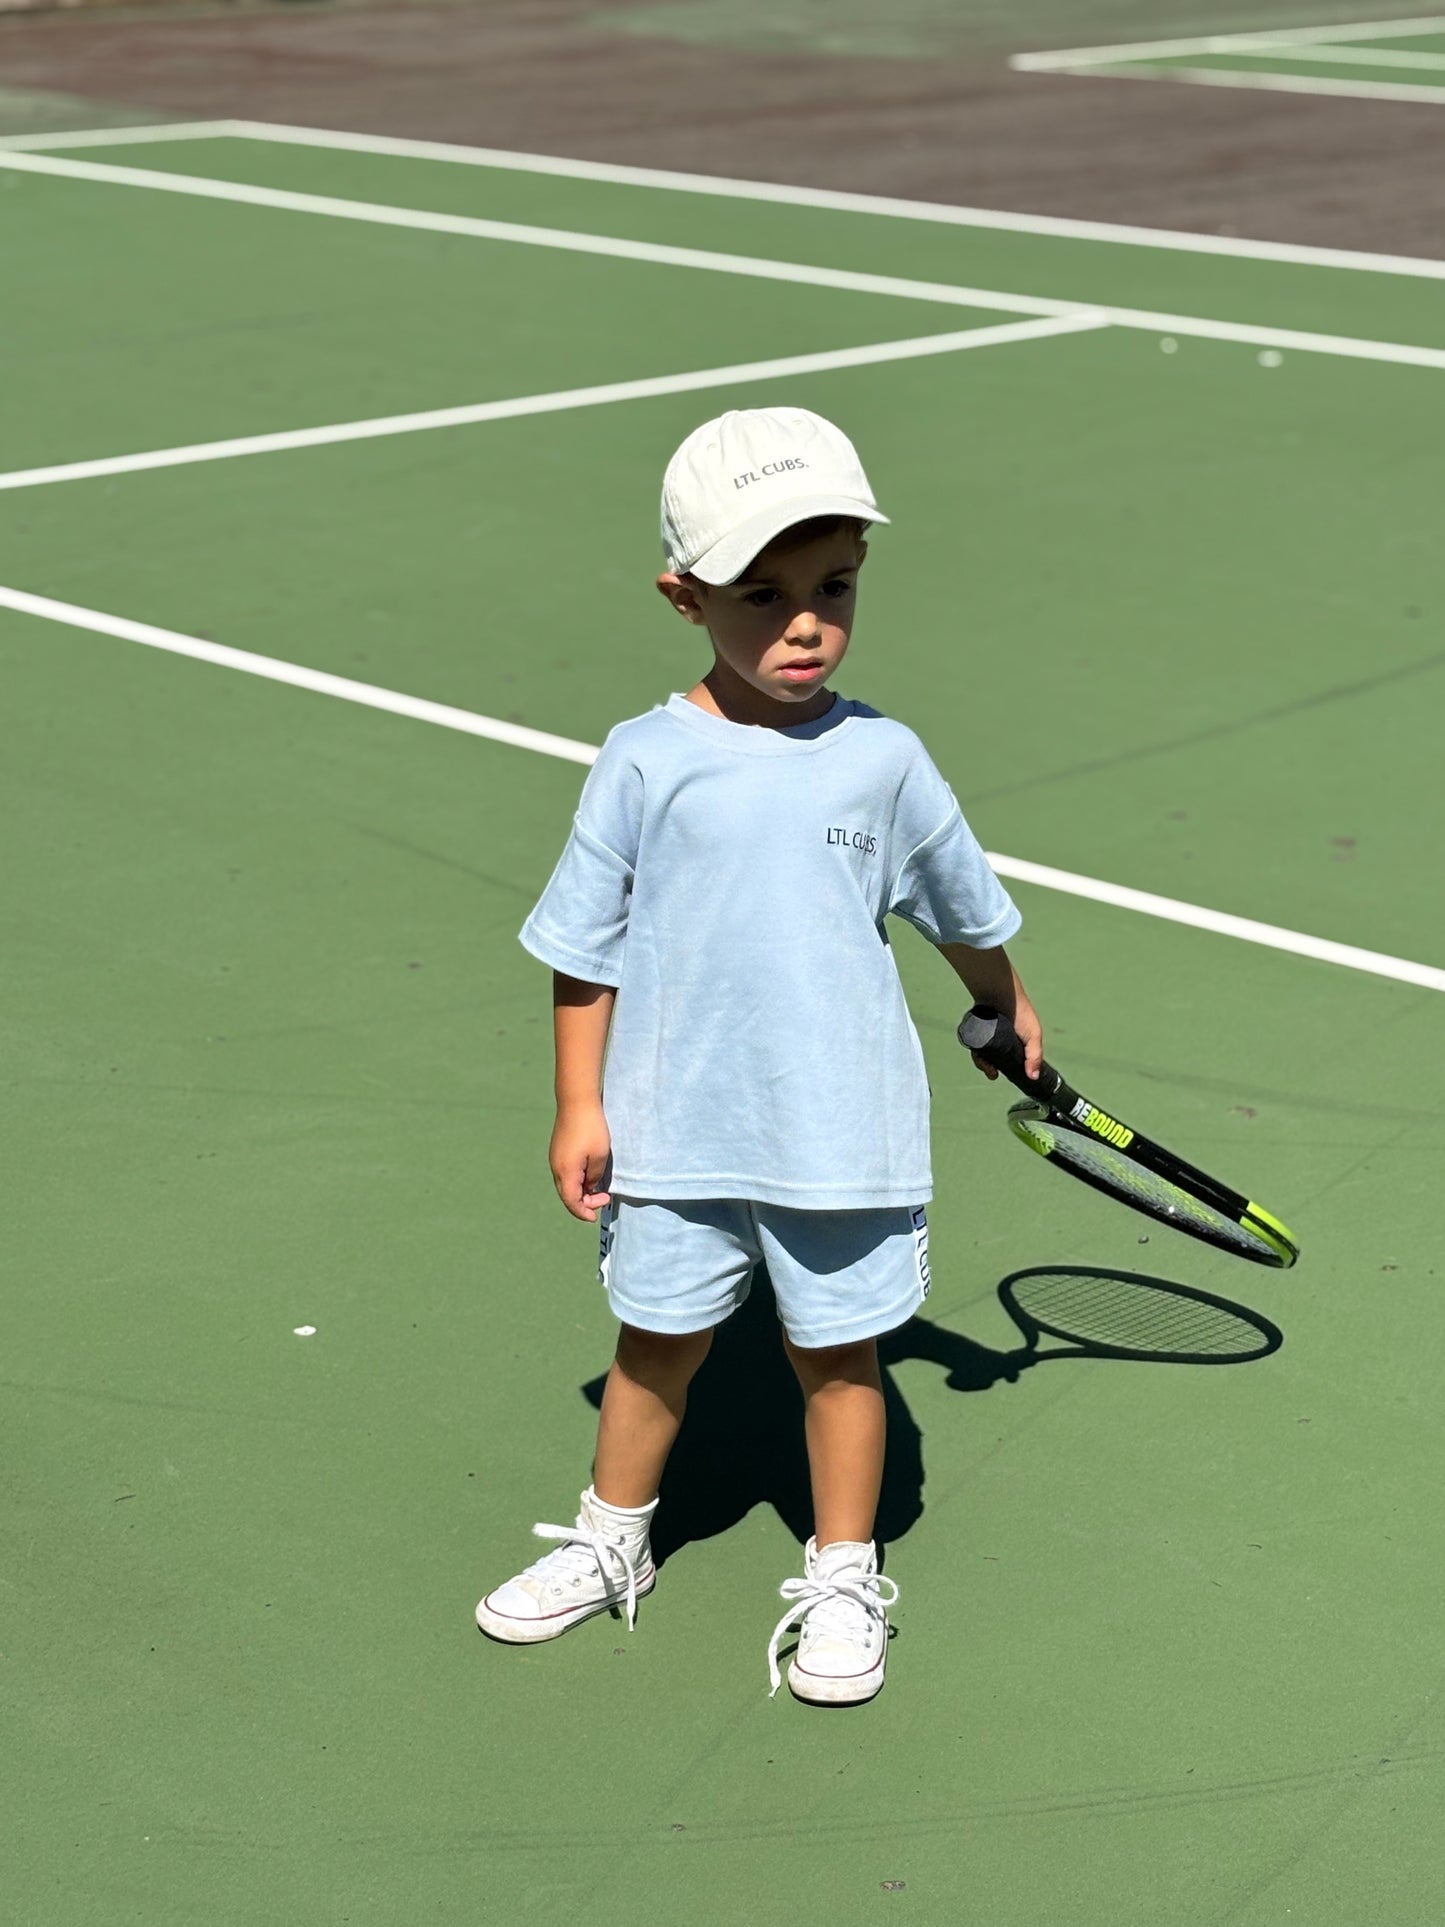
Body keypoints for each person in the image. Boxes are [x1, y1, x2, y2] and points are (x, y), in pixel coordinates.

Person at [476, 406, 1043, 1704]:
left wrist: (1004, 1005)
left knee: (839, 1362)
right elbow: (587, 947)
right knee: (653, 1344)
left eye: (833, 587)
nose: (805, 622)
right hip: (671, 1133)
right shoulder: (641, 762)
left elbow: (958, 907)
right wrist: (577, 1102)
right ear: (683, 598)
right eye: (764, 593)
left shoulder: (883, 761)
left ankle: (843, 1570)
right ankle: (614, 1540)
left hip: (839, 1135)